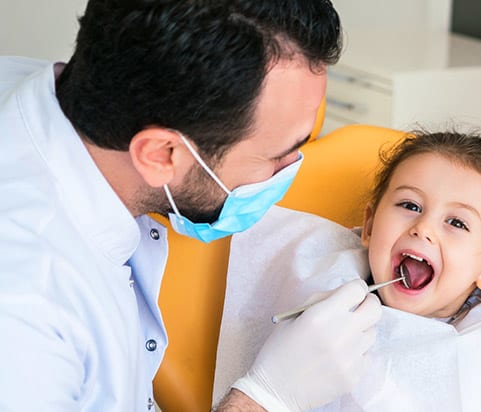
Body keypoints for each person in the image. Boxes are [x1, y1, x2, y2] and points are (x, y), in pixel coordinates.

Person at [0, 1, 382, 411]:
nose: (291, 171)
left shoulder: (53, 91)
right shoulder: (25, 315)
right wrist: (266, 398)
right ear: (162, 154)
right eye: (278, 156)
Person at [215, 128, 481, 410]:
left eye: (457, 223)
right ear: (369, 226)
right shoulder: (317, 288)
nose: (423, 228)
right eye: (410, 205)